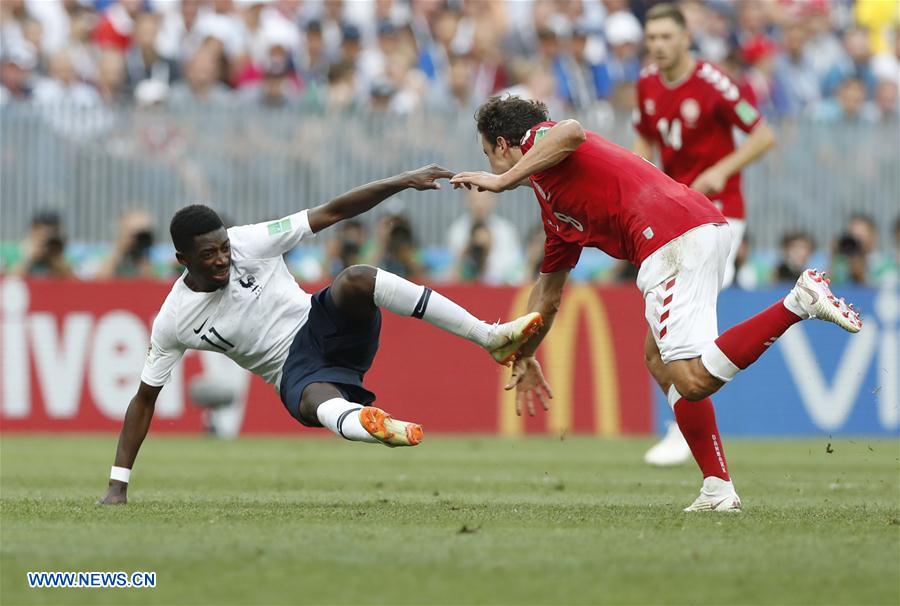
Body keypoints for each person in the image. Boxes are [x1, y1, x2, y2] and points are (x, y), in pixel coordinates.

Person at [450, 95, 861, 512]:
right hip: (696, 227)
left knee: (693, 380)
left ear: (502, 145)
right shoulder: (555, 212)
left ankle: (798, 302)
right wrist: (526, 352)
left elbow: (570, 131)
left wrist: (503, 181)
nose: (490, 167)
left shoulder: (541, 140)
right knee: (658, 359)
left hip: (670, 239)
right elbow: (548, 296)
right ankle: (717, 488)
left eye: (487, 155)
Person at [98, 165, 542, 505]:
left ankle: (489, 337)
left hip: (323, 322)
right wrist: (119, 484)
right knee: (315, 401)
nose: (222, 259)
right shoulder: (174, 319)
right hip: (292, 369)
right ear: (182, 259)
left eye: (224, 247)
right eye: (208, 254)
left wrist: (402, 181)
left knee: (357, 278)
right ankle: (374, 425)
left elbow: (332, 211)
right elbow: (145, 399)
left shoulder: (250, 241)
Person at [632, 4, 776, 467]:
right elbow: (644, 138)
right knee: (656, 350)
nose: (657, 46)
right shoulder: (646, 83)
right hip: (675, 216)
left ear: (685, 39)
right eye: (651, 38)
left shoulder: (715, 82)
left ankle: (686, 430)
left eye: (665, 37)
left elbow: (763, 135)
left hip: (718, 216)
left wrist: (721, 170)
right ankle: (687, 427)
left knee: (667, 343)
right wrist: (640, 177)